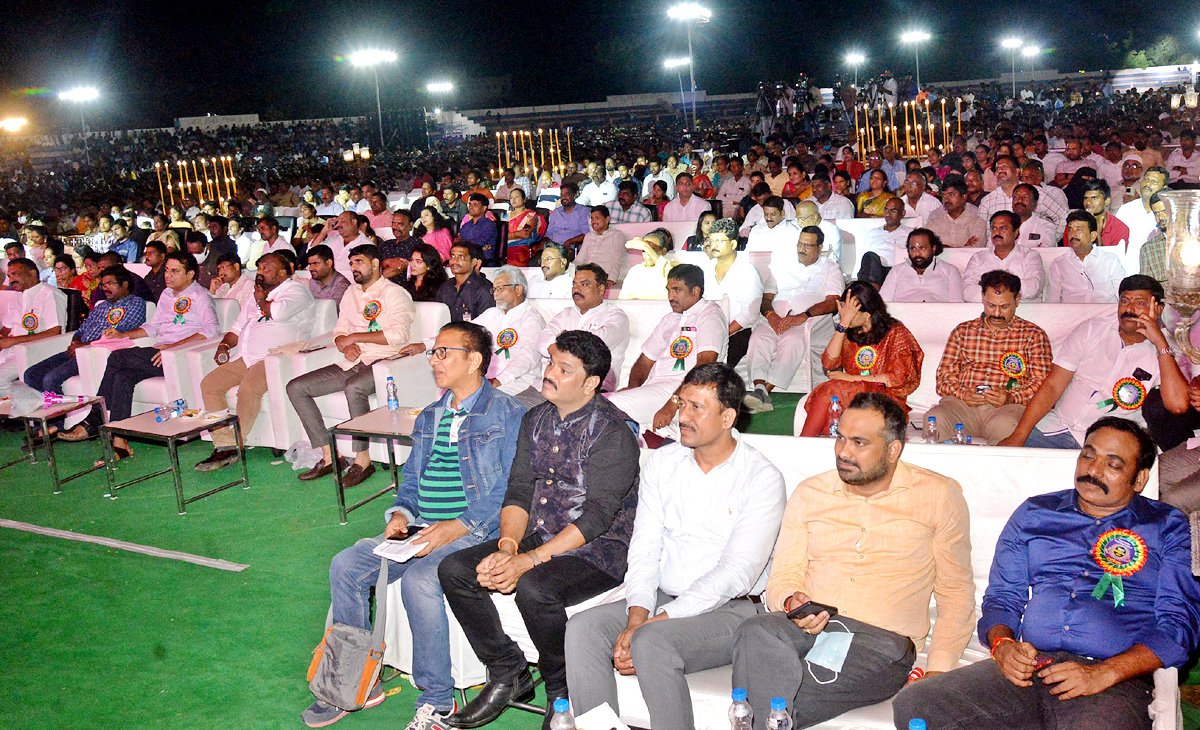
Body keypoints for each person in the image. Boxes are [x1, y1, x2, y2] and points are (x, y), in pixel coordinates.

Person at [893, 417, 1200, 730]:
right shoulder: (1036, 513)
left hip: (1113, 680)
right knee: (918, 704)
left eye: (1114, 464)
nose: (1093, 471)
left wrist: (1104, 673)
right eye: (1089, 455)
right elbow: (1002, 598)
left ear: (1139, 479)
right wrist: (1003, 646)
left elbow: (1180, 628)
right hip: (1032, 666)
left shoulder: (1165, 526)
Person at [301, 321, 526, 728]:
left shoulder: (507, 413)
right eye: (433, 352)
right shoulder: (430, 415)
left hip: (476, 531)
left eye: (444, 352)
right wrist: (401, 514)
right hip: (421, 528)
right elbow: (413, 482)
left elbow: (510, 493)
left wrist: (454, 527)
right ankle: (353, 681)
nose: (434, 360)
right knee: (346, 564)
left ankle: (437, 699)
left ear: (474, 360)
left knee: (419, 580)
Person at [734, 392, 974, 730]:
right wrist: (791, 601)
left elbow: (956, 592)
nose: (844, 452)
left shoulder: (937, 496)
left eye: (860, 442)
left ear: (893, 450)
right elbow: (784, 576)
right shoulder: (810, 493)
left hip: (879, 642)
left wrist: (937, 671)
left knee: (778, 699)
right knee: (754, 630)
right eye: (841, 438)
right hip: (808, 627)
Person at [565, 363, 786, 730]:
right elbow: (645, 547)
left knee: (651, 642)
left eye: (696, 407)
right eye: (681, 403)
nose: (683, 416)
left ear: (728, 416)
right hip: (665, 599)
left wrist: (652, 624)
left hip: (733, 612)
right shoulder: (662, 464)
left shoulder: (761, 478)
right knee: (583, 629)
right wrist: (637, 614)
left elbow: (736, 574)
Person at [439, 330, 640, 730]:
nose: (549, 373)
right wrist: (509, 546)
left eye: (563, 369)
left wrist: (528, 561)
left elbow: (599, 516)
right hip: (541, 531)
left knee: (535, 587)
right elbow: (519, 490)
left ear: (590, 383)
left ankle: (562, 692)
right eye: (551, 363)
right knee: (455, 569)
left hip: (598, 549)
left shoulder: (614, 431)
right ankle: (507, 670)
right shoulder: (535, 418)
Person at [999, 275, 1188, 449]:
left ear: (1158, 309)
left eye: (1140, 303)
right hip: (1058, 428)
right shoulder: (1092, 329)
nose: (1129, 309)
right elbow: (1053, 386)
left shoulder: (1167, 352)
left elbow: (1178, 405)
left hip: (1110, 443)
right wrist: (1019, 435)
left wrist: (1160, 344)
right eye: (1124, 301)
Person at [286, 244, 415, 486]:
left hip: (385, 361)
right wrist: (345, 344)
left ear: (376, 264)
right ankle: (329, 456)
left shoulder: (394, 293)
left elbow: (398, 335)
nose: (354, 268)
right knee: (296, 387)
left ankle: (362, 460)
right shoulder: (351, 293)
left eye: (359, 262)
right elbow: (340, 331)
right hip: (352, 361)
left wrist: (355, 338)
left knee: (354, 387)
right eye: (352, 263)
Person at [87, 252, 220, 460]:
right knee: (123, 378)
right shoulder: (167, 294)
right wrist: (123, 334)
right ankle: (120, 441)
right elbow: (154, 326)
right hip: (159, 353)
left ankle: (96, 415)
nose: (168, 275)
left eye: (175, 271)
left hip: (178, 357)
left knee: (116, 358)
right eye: (167, 270)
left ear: (191, 274)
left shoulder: (200, 296)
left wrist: (173, 347)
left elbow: (212, 331)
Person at [196, 253, 316, 472]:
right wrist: (224, 345)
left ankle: (235, 443)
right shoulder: (256, 296)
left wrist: (261, 299)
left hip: (274, 358)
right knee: (210, 385)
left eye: (267, 268)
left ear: (284, 272)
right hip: (245, 357)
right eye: (259, 268)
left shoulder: (297, 291)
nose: (260, 272)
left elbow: (278, 313)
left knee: (249, 388)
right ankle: (224, 444)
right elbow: (237, 327)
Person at [924, 270, 1052, 444]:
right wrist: (963, 394)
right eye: (991, 305)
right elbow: (943, 379)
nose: (997, 313)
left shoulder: (1033, 335)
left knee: (1004, 426)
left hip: (1007, 409)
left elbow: (1043, 385)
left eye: (1004, 306)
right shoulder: (963, 332)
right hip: (963, 406)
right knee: (935, 418)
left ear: (1017, 300)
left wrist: (1012, 397)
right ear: (983, 297)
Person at [607, 264, 728, 440]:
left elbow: (705, 365)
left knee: (608, 406)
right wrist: (633, 389)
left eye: (677, 290)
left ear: (695, 291)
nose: (671, 296)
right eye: (669, 290)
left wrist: (673, 404)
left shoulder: (710, 315)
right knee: (600, 403)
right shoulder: (670, 319)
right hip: (655, 389)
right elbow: (644, 361)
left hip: (682, 393)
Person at [28, 266, 147, 439]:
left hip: (95, 353)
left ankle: (55, 426)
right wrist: (76, 341)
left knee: (50, 378)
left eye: (110, 284)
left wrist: (83, 346)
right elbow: (82, 328)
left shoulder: (135, 304)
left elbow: (118, 334)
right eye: (103, 284)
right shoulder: (100, 307)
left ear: (125, 284)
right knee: (31, 374)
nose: (104, 288)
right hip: (79, 349)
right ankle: (46, 420)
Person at [799, 282, 923, 437]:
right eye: (844, 311)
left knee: (832, 389)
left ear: (868, 313)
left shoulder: (896, 333)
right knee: (830, 402)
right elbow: (828, 363)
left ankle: (803, 442)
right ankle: (811, 446)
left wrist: (851, 378)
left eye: (851, 313)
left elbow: (897, 378)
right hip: (855, 396)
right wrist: (843, 325)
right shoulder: (850, 333)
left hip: (887, 399)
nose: (845, 317)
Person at [744, 226, 844, 413]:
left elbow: (833, 302)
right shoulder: (783, 264)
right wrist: (771, 316)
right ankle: (759, 388)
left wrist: (803, 316)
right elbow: (766, 298)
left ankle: (764, 391)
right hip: (777, 319)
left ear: (820, 247)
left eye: (808, 245)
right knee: (758, 336)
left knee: (792, 341)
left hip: (808, 322)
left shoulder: (830, 268)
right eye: (800, 243)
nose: (801, 249)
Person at [536, 263, 630, 393]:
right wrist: (564, 350)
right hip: (550, 382)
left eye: (584, 284)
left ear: (601, 289)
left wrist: (559, 347)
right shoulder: (566, 314)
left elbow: (594, 346)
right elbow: (543, 340)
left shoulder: (616, 317)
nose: (576, 289)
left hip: (591, 388)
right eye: (574, 284)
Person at [700, 217, 764, 367]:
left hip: (738, 331)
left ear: (733, 244)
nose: (713, 246)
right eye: (711, 241)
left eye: (719, 241)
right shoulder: (705, 269)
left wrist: (722, 334)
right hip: (709, 329)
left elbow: (749, 315)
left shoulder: (748, 272)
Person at [0, 258, 68, 392]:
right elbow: (6, 330)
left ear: (32, 274)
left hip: (38, 352)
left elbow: (54, 332)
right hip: (12, 351)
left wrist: (14, 341)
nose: (11, 279)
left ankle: (20, 409)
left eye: (15, 274)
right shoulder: (16, 298)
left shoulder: (50, 294)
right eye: (9, 276)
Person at [1045, 210, 1126, 304]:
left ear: (1093, 236)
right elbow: (1051, 302)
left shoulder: (1110, 261)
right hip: (1071, 317)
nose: (1073, 234)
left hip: (1105, 316)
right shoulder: (1059, 264)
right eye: (1070, 230)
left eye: (1079, 229)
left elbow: (1123, 296)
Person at [962, 212, 1046, 302]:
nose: (997, 232)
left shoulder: (1030, 256)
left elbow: (1033, 289)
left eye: (1003, 228)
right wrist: (1013, 289)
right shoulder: (978, 258)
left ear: (1016, 232)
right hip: (986, 312)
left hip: (1024, 311)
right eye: (993, 228)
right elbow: (967, 292)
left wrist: (987, 287)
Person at [880, 228, 964, 303]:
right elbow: (883, 302)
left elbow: (957, 305)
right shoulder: (897, 271)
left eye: (922, 248)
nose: (917, 253)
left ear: (933, 248)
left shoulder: (950, 271)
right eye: (913, 248)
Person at [857, 198, 911, 286]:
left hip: (895, 272)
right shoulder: (873, 233)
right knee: (869, 257)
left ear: (903, 213)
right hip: (872, 270)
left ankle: (873, 295)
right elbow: (863, 258)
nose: (888, 214)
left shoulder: (910, 234)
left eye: (893, 211)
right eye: (886, 210)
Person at [437, 243, 494, 322]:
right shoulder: (446, 287)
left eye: (461, 257)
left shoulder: (483, 288)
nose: (455, 261)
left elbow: (487, 323)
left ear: (473, 262)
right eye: (452, 256)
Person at [926, 178, 987, 249]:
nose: (946, 198)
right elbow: (927, 247)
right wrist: (963, 248)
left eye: (951, 194)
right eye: (944, 195)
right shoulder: (933, 223)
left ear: (964, 197)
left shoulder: (977, 222)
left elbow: (974, 249)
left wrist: (941, 247)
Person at [575, 206, 629, 285]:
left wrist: (611, 279)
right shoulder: (589, 236)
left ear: (607, 220)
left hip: (604, 276)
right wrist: (568, 271)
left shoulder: (617, 235)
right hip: (587, 275)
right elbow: (579, 259)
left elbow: (617, 259)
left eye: (597, 218)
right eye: (592, 218)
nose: (593, 221)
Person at [619, 229, 674, 300]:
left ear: (663, 251)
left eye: (651, 249)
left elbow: (664, 267)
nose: (647, 254)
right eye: (644, 250)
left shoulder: (672, 267)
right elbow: (623, 298)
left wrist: (645, 246)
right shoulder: (635, 270)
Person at [504, 188, 545, 266]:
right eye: (511, 197)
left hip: (520, 245)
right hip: (504, 245)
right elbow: (500, 233)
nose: (513, 199)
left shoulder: (530, 215)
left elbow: (525, 233)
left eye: (517, 196)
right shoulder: (506, 216)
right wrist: (515, 234)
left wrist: (507, 236)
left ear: (524, 199)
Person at [457, 193, 500, 265]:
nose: (471, 207)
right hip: (466, 261)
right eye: (470, 204)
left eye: (475, 204)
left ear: (484, 208)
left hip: (484, 262)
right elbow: (460, 241)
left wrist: (469, 245)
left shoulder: (489, 225)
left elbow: (476, 245)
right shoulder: (466, 225)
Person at [544, 183, 590, 250]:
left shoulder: (583, 211)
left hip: (572, 248)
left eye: (567, 194)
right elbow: (549, 234)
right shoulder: (556, 212)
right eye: (562, 195)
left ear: (574, 195)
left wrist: (569, 242)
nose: (563, 197)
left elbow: (586, 234)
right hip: (554, 248)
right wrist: (545, 242)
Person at [305, 244, 351, 309]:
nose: (311, 268)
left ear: (329, 263)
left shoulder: (342, 286)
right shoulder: (313, 281)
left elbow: (331, 310)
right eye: (310, 264)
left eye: (315, 263)